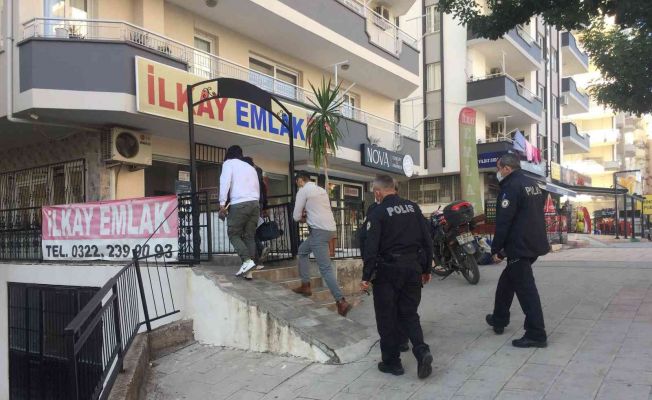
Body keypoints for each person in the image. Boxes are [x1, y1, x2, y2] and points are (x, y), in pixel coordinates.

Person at [361, 175, 433, 379]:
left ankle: (392, 363)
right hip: (413, 268)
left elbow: (371, 247)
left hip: (388, 271)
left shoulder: (378, 212)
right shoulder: (413, 208)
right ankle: (422, 351)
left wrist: (366, 276)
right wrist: (427, 269)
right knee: (409, 314)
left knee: (386, 317)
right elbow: (427, 240)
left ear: (378, 192)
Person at [486, 153, 549, 348]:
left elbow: (504, 222)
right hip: (534, 244)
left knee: (526, 291)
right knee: (506, 283)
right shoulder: (532, 184)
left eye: (499, 168)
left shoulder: (511, 187)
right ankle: (499, 319)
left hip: (520, 247)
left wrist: (497, 250)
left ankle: (536, 334)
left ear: (507, 168)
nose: (498, 172)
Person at [358, 179, 410, 353]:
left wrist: (367, 271)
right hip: (403, 265)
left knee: (389, 308)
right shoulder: (408, 208)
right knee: (399, 306)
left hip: (385, 267)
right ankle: (401, 340)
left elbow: (365, 239)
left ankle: (394, 349)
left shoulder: (377, 210)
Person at [291, 171, 352, 317]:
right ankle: (305, 285)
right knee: (302, 251)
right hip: (329, 230)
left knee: (325, 269)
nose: (297, 185)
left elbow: (296, 216)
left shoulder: (303, 191)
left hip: (318, 232)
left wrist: (303, 218)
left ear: (300, 180)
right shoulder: (321, 190)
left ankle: (341, 301)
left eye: (297, 182)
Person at [219, 145, 261, 277]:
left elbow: (224, 182)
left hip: (240, 204)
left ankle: (247, 261)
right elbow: (256, 186)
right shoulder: (250, 167)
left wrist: (222, 204)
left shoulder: (229, 163)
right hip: (255, 204)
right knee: (249, 236)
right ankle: (249, 271)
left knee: (233, 234)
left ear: (228, 154)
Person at [242, 156, 271, 264]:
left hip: (251, 205)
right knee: (254, 231)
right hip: (259, 205)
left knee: (249, 232)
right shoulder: (260, 180)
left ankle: (258, 252)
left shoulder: (249, 177)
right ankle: (258, 259)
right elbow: (264, 195)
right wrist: (265, 207)